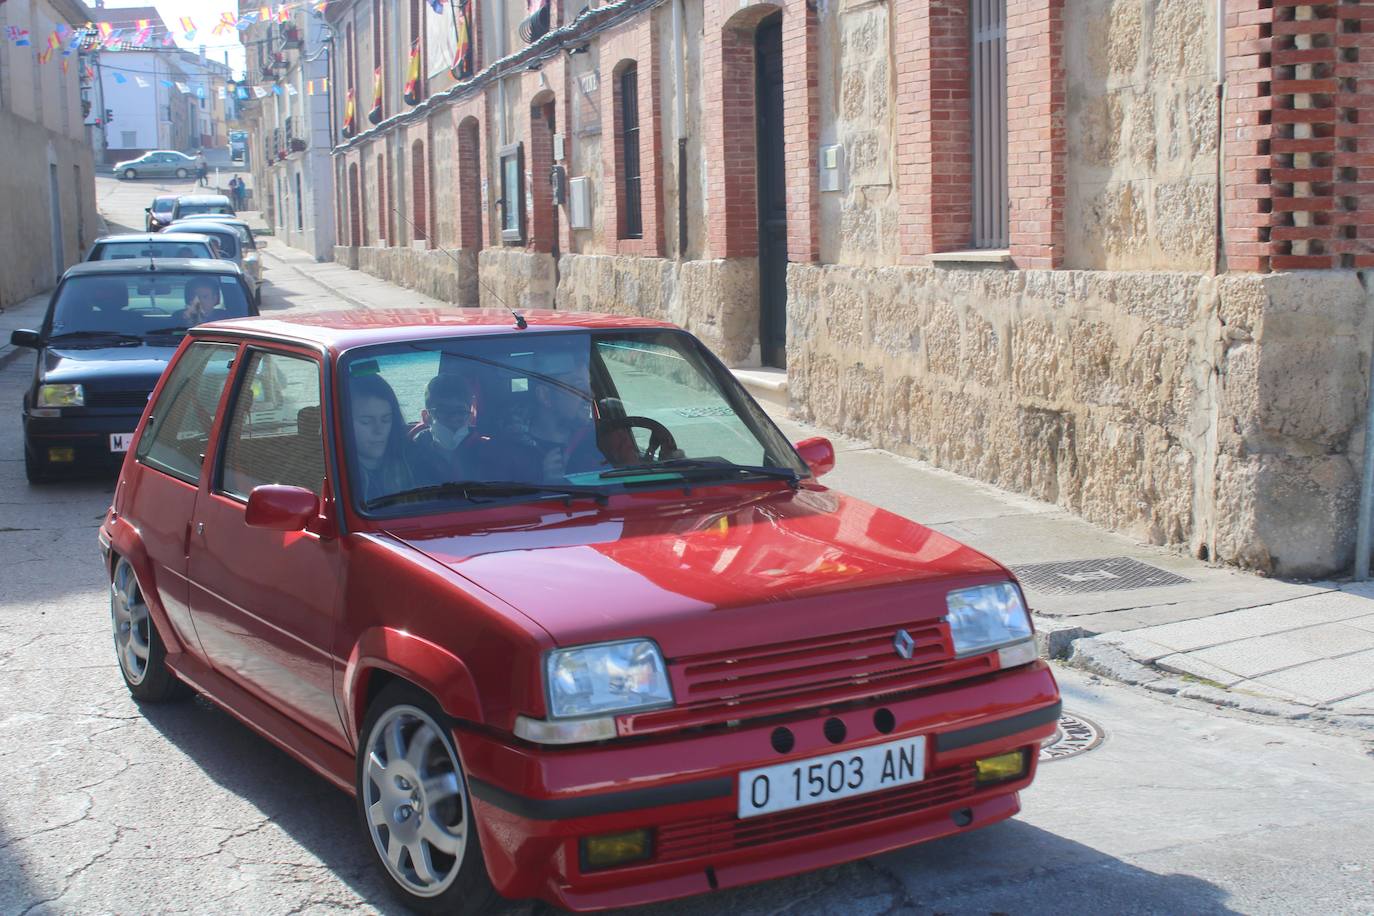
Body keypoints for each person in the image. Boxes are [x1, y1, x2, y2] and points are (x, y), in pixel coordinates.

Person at [410, 372, 495, 483]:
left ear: (470, 416)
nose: (453, 418)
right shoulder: (409, 457)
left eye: (460, 411)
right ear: (426, 417)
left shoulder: (490, 453)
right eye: (443, 411)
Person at [349, 373, 416, 505]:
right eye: (366, 422)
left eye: (386, 420)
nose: (378, 430)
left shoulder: (413, 459)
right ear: (343, 423)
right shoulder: (336, 474)